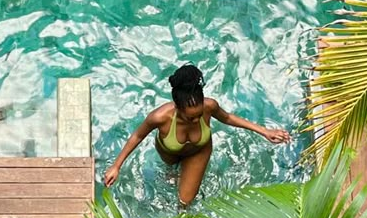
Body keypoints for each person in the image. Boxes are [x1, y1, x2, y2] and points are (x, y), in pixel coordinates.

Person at [103, 64, 290, 206]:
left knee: (185, 201)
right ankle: (172, 171)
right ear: (177, 108)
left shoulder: (210, 106)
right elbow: (137, 136)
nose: (195, 121)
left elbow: (228, 118)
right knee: (169, 174)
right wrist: (116, 166)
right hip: (169, 151)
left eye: (198, 116)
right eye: (189, 118)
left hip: (198, 151)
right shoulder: (159, 117)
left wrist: (265, 131)